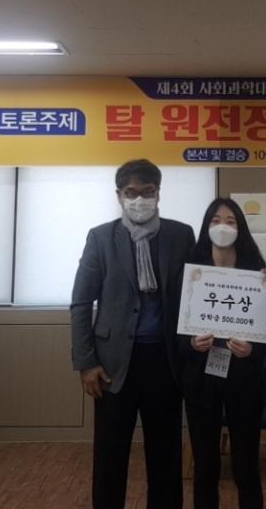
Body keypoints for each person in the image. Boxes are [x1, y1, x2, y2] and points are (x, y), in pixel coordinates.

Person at [69, 159, 196, 509]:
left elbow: (202, 287)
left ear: (158, 194)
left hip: (165, 362)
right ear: (119, 196)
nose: (139, 200)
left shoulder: (180, 235)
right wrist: (86, 363)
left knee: (165, 456)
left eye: (147, 192)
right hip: (112, 365)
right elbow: (81, 302)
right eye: (131, 193)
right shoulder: (101, 237)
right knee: (110, 456)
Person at [182, 198, 266, 509]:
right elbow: (175, 328)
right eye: (216, 220)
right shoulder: (190, 272)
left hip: (244, 380)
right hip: (201, 380)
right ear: (206, 227)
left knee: (246, 467)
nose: (223, 227)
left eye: (230, 221)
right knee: (205, 467)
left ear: (240, 228)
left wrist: (252, 350)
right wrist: (191, 344)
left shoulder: (258, 273)